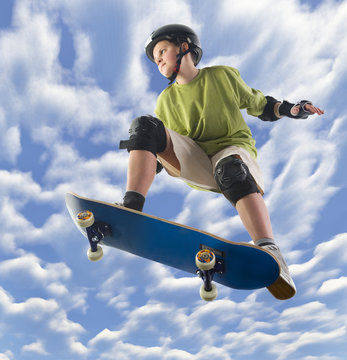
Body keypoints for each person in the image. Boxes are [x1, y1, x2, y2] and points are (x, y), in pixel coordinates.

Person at [119, 24, 324, 300]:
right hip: (196, 160)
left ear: (184, 47)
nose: (158, 60)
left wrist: (292, 109)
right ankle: (131, 208)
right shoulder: (165, 101)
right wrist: (143, 149)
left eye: (162, 51)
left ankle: (269, 248)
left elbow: (259, 104)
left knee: (229, 169)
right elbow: (164, 146)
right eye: (155, 58)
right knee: (145, 126)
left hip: (233, 152)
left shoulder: (222, 76)